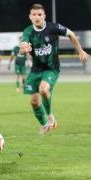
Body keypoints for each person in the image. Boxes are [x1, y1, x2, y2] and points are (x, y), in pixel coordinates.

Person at [20, 4, 89, 134]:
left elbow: (72, 34)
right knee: (34, 102)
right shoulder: (28, 31)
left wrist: (80, 51)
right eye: (34, 15)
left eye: (39, 14)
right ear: (30, 17)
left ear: (44, 16)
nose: (37, 17)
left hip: (51, 69)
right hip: (35, 70)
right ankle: (45, 124)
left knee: (44, 89)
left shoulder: (53, 27)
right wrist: (24, 49)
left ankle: (51, 117)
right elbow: (23, 44)